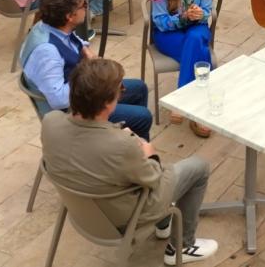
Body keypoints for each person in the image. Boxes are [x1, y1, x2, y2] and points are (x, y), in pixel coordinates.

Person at [40, 58, 217, 265]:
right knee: (197, 166)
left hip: (80, 211)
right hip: (123, 219)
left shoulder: (50, 121)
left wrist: (119, 137)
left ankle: (164, 225)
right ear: (108, 102)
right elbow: (153, 178)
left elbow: (85, 145)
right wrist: (149, 153)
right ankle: (183, 246)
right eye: (120, 90)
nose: (122, 92)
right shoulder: (121, 145)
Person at [21, 0, 153, 139]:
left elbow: (73, 39)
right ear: (70, 16)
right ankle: (128, 151)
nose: (86, 8)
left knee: (139, 88)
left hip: (82, 95)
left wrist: (85, 50)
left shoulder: (51, 25)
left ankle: (122, 141)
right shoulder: (47, 52)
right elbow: (58, 100)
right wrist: (90, 79)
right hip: (72, 114)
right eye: (83, 6)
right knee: (143, 117)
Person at [150, 0, 215, 138]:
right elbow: (159, 21)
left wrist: (198, 14)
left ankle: (181, 101)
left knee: (195, 38)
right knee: (201, 55)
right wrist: (183, 17)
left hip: (197, 29)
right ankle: (198, 115)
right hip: (169, 34)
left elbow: (207, 11)